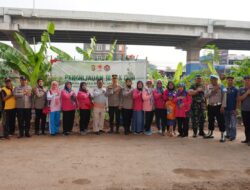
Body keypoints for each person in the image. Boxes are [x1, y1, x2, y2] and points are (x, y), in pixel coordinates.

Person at [204, 75, 227, 142]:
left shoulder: (222, 86)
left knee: (221, 121)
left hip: (218, 106)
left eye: (214, 79)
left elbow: (224, 96)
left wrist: (223, 106)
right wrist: (213, 91)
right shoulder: (208, 87)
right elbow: (205, 95)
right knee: (210, 120)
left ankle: (223, 135)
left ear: (217, 80)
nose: (213, 81)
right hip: (210, 106)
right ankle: (210, 133)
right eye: (211, 79)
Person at [224, 76, 238, 141]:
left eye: (231, 80)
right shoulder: (225, 89)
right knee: (226, 123)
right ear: (226, 81)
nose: (230, 81)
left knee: (233, 124)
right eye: (228, 80)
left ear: (233, 81)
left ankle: (233, 136)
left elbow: (238, 100)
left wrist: (236, 109)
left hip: (233, 109)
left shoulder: (236, 89)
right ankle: (228, 134)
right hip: (226, 109)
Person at [238, 75, 250, 146]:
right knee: (246, 125)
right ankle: (247, 139)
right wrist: (247, 93)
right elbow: (239, 99)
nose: (247, 81)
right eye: (246, 80)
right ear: (244, 81)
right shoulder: (241, 89)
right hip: (244, 110)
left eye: (248, 80)